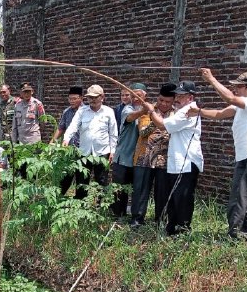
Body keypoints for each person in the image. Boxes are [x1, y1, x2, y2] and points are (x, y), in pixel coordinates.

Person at [191, 69, 247, 239]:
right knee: (246, 197)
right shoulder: (242, 104)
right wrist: (197, 111)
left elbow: (230, 98)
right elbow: (220, 114)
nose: (235, 90)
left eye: (239, 87)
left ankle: (234, 235)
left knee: (239, 196)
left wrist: (211, 79)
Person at [144, 80, 203, 235]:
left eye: (181, 96)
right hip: (177, 163)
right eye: (176, 95)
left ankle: (182, 232)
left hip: (186, 163)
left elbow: (162, 125)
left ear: (190, 97)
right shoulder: (181, 110)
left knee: (183, 199)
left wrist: (151, 111)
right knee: (174, 199)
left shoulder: (188, 111)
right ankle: (172, 229)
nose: (177, 98)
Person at [130, 83, 176, 227]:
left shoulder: (176, 113)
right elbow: (143, 132)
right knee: (140, 191)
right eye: (161, 100)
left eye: (168, 102)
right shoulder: (147, 109)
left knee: (162, 192)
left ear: (173, 101)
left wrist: (159, 120)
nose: (163, 104)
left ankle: (160, 220)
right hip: (144, 157)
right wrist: (153, 116)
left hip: (164, 159)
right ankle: (137, 219)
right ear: (158, 98)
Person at [62, 84, 118, 200]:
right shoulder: (82, 111)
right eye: (89, 97)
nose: (92, 100)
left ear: (102, 97)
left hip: (102, 152)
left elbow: (113, 133)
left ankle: (99, 209)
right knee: (81, 182)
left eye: (95, 97)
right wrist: (66, 138)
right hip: (84, 152)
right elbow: (73, 126)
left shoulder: (108, 112)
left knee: (101, 181)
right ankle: (81, 208)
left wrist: (113, 151)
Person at [112, 83, 148, 217]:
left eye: (139, 95)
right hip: (123, 157)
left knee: (137, 189)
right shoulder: (127, 109)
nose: (135, 98)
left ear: (145, 96)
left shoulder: (150, 113)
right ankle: (117, 215)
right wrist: (146, 110)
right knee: (119, 189)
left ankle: (135, 216)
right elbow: (131, 117)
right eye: (133, 95)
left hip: (139, 158)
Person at [50, 86, 83, 194]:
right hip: (69, 149)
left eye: (74, 99)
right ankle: (60, 197)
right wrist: (52, 141)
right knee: (66, 176)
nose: (72, 101)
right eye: (70, 99)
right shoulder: (67, 112)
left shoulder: (86, 111)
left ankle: (79, 201)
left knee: (81, 177)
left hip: (83, 149)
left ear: (81, 98)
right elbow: (61, 128)